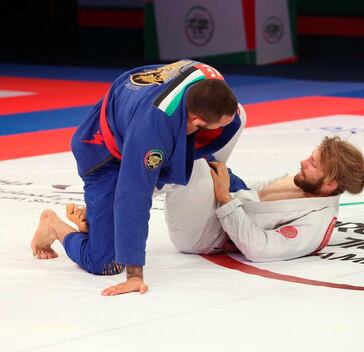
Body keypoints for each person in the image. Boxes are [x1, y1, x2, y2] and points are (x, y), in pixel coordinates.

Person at [30, 59, 246, 296]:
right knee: (105, 262)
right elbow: (134, 195)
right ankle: (55, 226)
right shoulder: (152, 131)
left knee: (224, 131)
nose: (226, 125)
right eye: (213, 125)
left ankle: (100, 221)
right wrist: (134, 275)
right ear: (196, 120)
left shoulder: (209, 79)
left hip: (133, 116)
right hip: (102, 152)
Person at [163, 136, 364, 261]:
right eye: (311, 156)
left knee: (187, 158)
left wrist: (224, 197)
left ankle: (135, 184)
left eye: (313, 163)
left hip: (204, 235)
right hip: (226, 201)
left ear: (330, 184)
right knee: (234, 115)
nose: (303, 161)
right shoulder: (305, 180)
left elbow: (259, 248)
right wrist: (225, 182)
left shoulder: (316, 223)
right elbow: (259, 191)